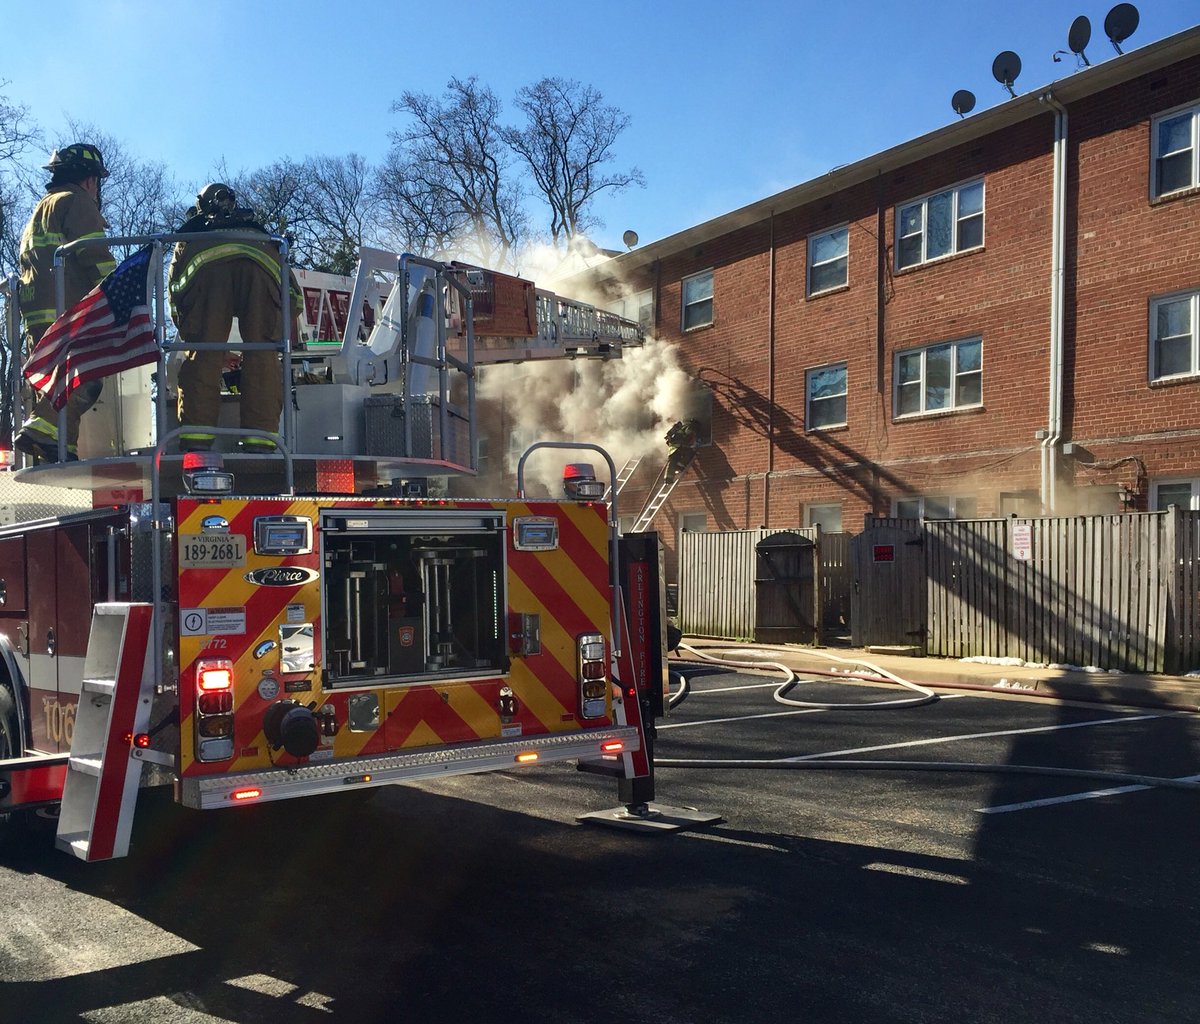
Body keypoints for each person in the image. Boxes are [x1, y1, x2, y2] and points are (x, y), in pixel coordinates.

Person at [168, 182, 300, 453]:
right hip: (263, 274)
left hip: (208, 278)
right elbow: (294, 299)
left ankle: (196, 442)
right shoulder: (261, 236)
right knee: (263, 354)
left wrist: (200, 336)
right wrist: (273, 326)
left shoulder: (191, 236)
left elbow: (177, 295)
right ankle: (261, 442)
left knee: (204, 353)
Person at [14, 144, 116, 462]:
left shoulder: (39, 211)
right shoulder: (76, 201)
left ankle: (61, 447)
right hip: (69, 312)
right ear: (90, 180)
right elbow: (95, 256)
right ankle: (41, 431)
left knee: (54, 381)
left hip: (37, 315)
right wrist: (121, 295)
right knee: (85, 380)